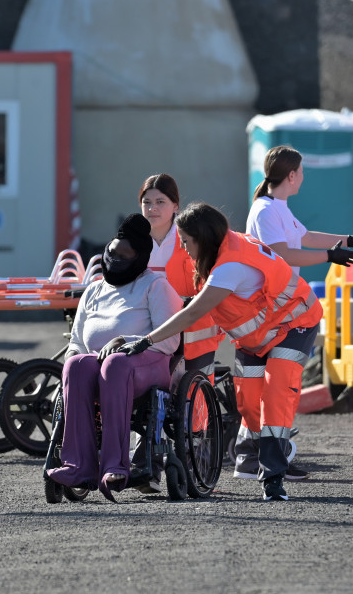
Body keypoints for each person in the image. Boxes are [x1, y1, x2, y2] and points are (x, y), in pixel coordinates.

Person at [120, 202, 323, 501]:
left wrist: (147, 340)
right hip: (255, 338)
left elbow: (194, 313)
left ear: (201, 237)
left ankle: (273, 478)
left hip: (294, 325)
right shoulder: (223, 251)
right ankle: (265, 452)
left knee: (276, 395)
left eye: (186, 242)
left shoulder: (230, 267)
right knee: (249, 404)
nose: (184, 249)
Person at [237, 145, 353, 481]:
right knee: (276, 387)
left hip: (277, 310)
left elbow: (304, 237)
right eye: (301, 172)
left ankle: (252, 456)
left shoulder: (275, 207)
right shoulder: (266, 210)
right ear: (291, 175)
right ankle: (263, 457)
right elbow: (285, 254)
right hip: (273, 311)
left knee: (265, 387)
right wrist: (329, 256)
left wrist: (349, 239)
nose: (303, 177)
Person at [46, 214, 183, 502]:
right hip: (101, 367)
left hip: (146, 364)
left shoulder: (154, 286)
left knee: (115, 363)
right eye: (112, 252)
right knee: (75, 364)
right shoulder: (94, 290)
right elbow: (75, 342)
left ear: (139, 258)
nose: (115, 258)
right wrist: (73, 364)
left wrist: (128, 342)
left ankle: (114, 465)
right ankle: (79, 465)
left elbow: (170, 341)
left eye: (125, 255)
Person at [133, 173, 224, 493]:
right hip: (153, 333)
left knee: (193, 401)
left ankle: (195, 462)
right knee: (147, 394)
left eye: (161, 202)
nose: (153, 208)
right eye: (147, 202)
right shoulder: (135, 240)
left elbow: (205, 283)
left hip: (195, 330)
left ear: (175, 205)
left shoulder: (186, 239)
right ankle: (148, 464)